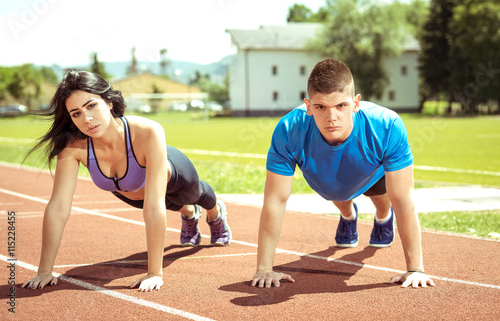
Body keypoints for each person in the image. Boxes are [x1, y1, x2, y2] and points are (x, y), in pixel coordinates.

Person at [22, 70, 231, 292]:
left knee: (196, 195)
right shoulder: (74, 148)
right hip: (133, 193)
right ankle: (189, 215)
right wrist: (44, 270)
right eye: (76, 113)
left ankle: (215, 214)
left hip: (174, 174)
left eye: (91, 105)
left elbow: (154, 205)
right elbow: (58, 207)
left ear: (109, 102)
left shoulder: (147, 131)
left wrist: (154, 273)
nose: (87, 118)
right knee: (178, 206)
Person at [251, 59, 435, 289]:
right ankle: (349, 216)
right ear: (308, 106)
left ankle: (382, 215)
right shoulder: (289, 130)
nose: (332, 117)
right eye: (320, 107)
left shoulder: (386, 125)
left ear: (356, 103)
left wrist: (415, 269)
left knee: (385, 197)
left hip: (371, 173)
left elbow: (404, 199)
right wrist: (265, 269)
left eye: (341, 106)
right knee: (335, 189)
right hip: (328, 178)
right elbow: (275, 200)